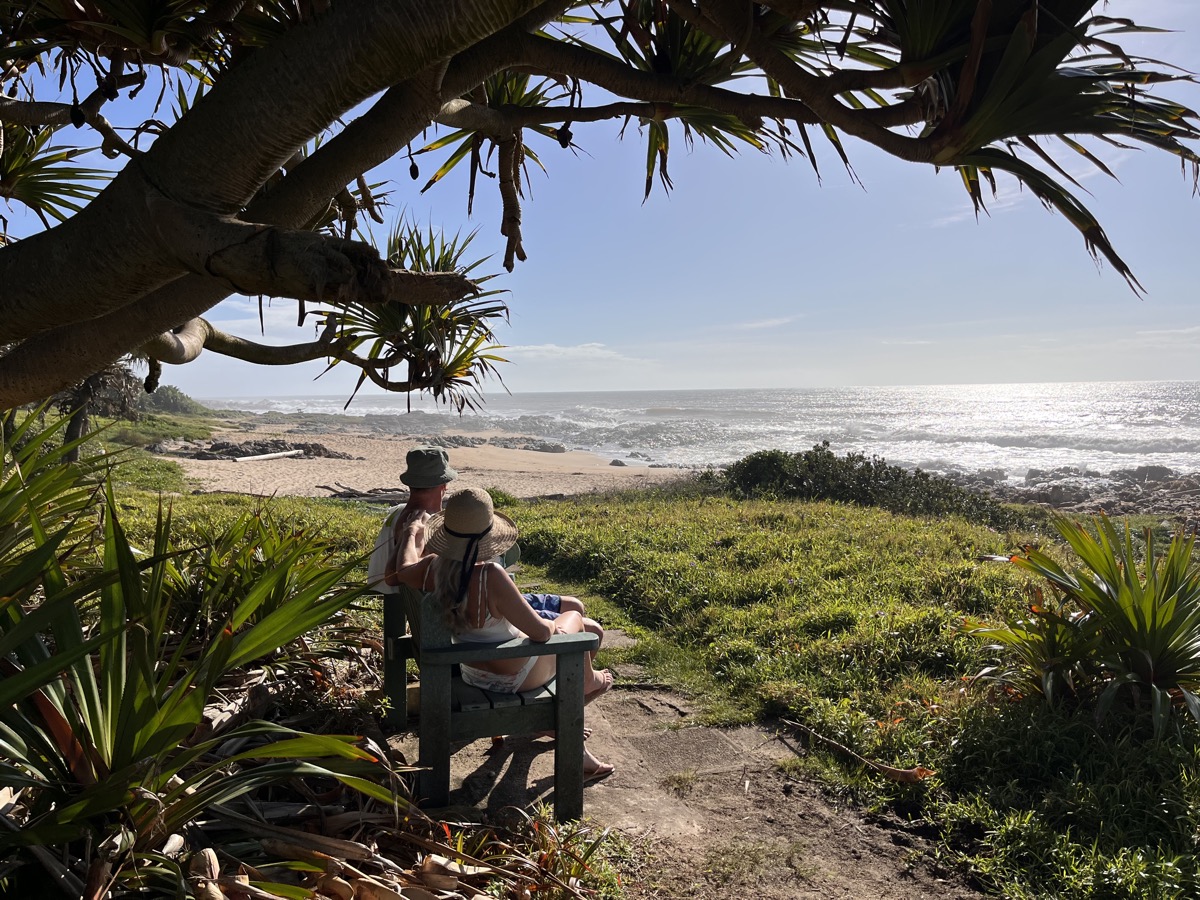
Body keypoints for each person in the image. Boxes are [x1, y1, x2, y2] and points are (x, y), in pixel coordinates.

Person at [386, 487, 614, 781]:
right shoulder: (490, 576)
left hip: (473, 673)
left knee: (581, 627)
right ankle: (586, 687)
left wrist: (410, 532)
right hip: (516, 677)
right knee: (577, 622)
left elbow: (402, 570)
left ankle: (561, 723)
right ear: (488, 535)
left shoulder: (432, 569)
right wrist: (554, 626)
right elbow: (541, 634)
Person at [367, 446, 605, 652]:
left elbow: (402, 573)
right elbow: (399, 576)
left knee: (574, 606)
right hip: (483, 619)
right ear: (444, 485)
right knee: (585, 624)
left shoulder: (403, 517)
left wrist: (409, 535)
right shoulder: (426, 527)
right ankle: (585, 681)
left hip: (474, 614)